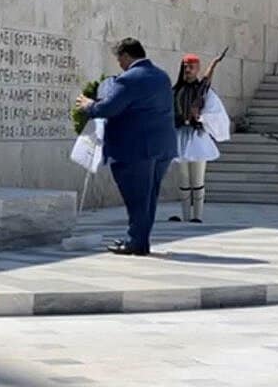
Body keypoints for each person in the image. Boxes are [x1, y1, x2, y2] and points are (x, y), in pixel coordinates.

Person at [75, 38, 177, 256]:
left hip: (135, 149)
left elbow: (109, 108)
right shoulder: (162, 76)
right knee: (149, 197)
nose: (119, 64)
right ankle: (140, 240)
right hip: (162, 146)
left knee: (137, 197)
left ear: (126, 56)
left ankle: (136, 242)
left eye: (119, 59)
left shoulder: (129, 79)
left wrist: (89, 106)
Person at [168, 49, 231, 224]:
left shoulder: (201, 89)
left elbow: (207, 78)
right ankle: (186, 216)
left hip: (196, 135)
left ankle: (198, 216)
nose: (188, 70)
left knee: (197, 178)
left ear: (197, 69)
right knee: (183, 179)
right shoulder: (175, 91)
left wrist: (214, 62)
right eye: (186, 67)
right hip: (180, 134)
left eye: (192, 67)